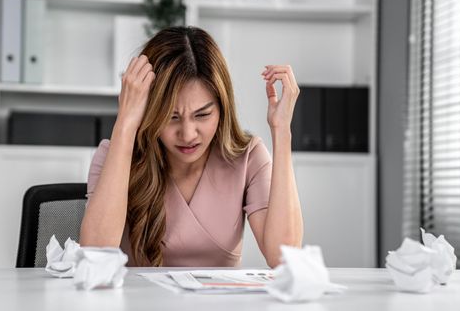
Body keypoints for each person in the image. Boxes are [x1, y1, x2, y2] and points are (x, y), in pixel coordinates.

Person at [80, 26, 303, 268]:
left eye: (202, 115)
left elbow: (283, 258)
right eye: (171, 116)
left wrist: (281, 131)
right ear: (149, 111)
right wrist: (126, 123)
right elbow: (95, 256)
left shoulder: (248, 157)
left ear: (222, 109)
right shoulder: (113, 155)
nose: (187, 134)